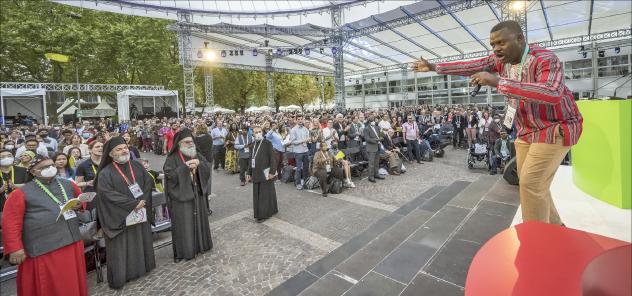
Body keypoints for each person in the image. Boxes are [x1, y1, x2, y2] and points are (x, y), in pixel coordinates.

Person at [412, 20, 583, 225]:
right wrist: (434, 67)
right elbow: (470, 65)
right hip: (526, 130)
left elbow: (552, 93)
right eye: (493, 45)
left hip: (555, 127)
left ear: (520, 39)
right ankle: (555, 228)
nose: (496, 49)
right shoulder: (501, 60)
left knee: (531, 183)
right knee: (532, 184)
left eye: (501, 43)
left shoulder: (546, 60)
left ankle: (536, 242)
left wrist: (497, 82)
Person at [1, 155, 87, 296]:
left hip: (71, 241)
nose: (50, 168)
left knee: (72, 282)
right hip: (44, 248)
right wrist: (15, 248)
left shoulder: (68, 184)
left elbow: (81, 200)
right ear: (33, 172)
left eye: (52, 165)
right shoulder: (20, 193)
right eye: (44, 167)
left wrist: (80, 205)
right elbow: (10, 222)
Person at [95, 137, 155, 289]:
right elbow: (107, 194)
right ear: (110, 154)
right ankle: (122, 276)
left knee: (140, 239)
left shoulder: (136, 164)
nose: (123, 150)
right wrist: (133, 204)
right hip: (119, 215)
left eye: (125, 147)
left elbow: (148, 182)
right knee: (121, 246)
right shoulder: (105, 173)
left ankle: (142, 268)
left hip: (140, 210)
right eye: (119, 149)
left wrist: (143, 200)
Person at [163, 129, 213, 261]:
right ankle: (187, 251)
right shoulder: (172, 158)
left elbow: (207, 168)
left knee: (199, 221)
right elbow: (170, 176)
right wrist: (185, 168)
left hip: (197, 194)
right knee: (185, 225)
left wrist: (199, 165)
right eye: (187, 142)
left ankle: (202, 245)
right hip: (182, 197)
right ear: (179, 144)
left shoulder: (196, 154)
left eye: (191, 141)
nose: (191, 144)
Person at [248, 126, 278, 222]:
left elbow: (273, 158)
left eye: (260, 132)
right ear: (253, 133)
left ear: (262, 132)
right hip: (255, 173)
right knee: (257, 194)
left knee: (264, 194)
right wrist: (249, 173)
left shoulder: (267, 143)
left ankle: (263, 215)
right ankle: (267, 210)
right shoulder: (252, 145)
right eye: (256, 132)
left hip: (265, 173)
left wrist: (272, 172)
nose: (258, 134)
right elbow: (250, 160)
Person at [289, 118, 310, 190]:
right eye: (299, 119)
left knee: (306, 168)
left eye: (301, 119)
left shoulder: (305, 129)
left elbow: (308, 138)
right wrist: (302, 141)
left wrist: (308, 140)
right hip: (298, 152)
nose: (300, 120)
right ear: (296, 120)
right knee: (298, 168)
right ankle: (297, 183)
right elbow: (292, 142)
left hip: (305, 150)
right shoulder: (293, 130)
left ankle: (306, 183)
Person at [363, 115, 383, 183]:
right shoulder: (366, 128)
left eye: (374, 120)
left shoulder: (377, 127)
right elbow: (367, 139)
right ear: (369, 121)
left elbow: (380, 135)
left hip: (377, 147)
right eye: (372, 120)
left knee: (377, 162)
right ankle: (370, 177)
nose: (373, 121)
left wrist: (381, 137)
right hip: (371, 147)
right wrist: (377, 140)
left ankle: (376, 174)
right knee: (371, 163)